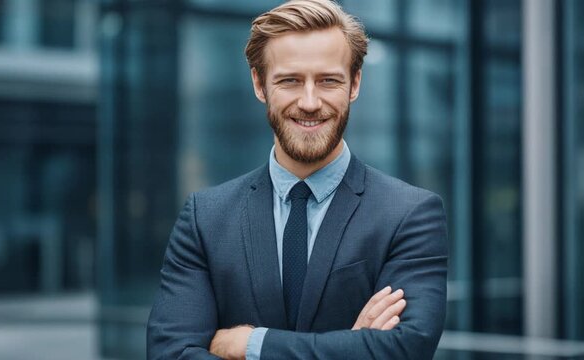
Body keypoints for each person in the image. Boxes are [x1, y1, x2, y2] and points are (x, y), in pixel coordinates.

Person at [147, 0, 448, 359]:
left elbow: (406, 349)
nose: (309, 101)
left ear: (354, 84)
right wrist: (350, 348)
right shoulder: (205, 218)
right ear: (260, 84)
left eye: (328, 81)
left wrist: (251, 344)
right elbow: (169, 354)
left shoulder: (410, 214)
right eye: (290, 80)